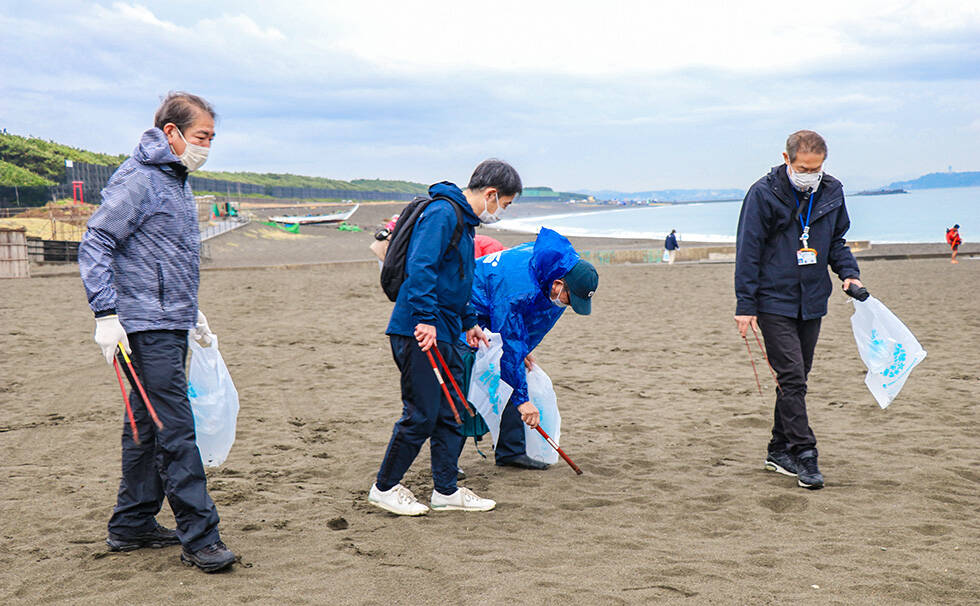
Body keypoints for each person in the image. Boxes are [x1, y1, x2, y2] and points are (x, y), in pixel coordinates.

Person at [78, 92, 236, 572]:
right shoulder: (142, 178)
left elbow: (161, 256)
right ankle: (200, 537)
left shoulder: (175, 179)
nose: (207, 145)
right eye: (202, 135)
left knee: (148, 426)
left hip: (169, 318)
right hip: (144, 326)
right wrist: (106, 314)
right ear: (172, 132)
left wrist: (191, 311)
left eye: (212, 138)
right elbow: (97, 239)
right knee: (174, 428)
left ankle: (132, 523)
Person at [369, 159, 522, 516]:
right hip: (419, 330)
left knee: (453, 412)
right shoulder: (443, 213)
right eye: (505, 204)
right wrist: (424, 319)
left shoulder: (464, 223)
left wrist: (469, 322)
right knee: (421, 414)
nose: (502, 211)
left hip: (449, 330)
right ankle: (385, 487)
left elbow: (457, 281)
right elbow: (420, 267)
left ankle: (446, 491)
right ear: (491, 194)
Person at [734, 130, 863, 490]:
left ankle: (778, 450)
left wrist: (849, 274)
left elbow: (836, 241)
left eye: (816, 168)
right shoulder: (763, 193)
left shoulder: (832, 191)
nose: (810, 175)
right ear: (786, 159)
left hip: (813, 300)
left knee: (797, 379)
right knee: (791, 377)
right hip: (772, 300)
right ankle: (805, 453)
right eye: (804, 168)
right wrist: (745, 305)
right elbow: (748, 251)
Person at [469, 227, 598, 469]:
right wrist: (523, 402)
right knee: (465, 382)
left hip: (494, 309)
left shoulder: (554, 268)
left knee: (519, 371)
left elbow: (526, 329)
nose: (568, 306)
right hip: (466, 311)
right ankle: (446, 467)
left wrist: (523, 349)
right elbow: (509, 338)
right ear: (558, 285)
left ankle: (511, 452)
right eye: (571, 300)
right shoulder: (519, 289)